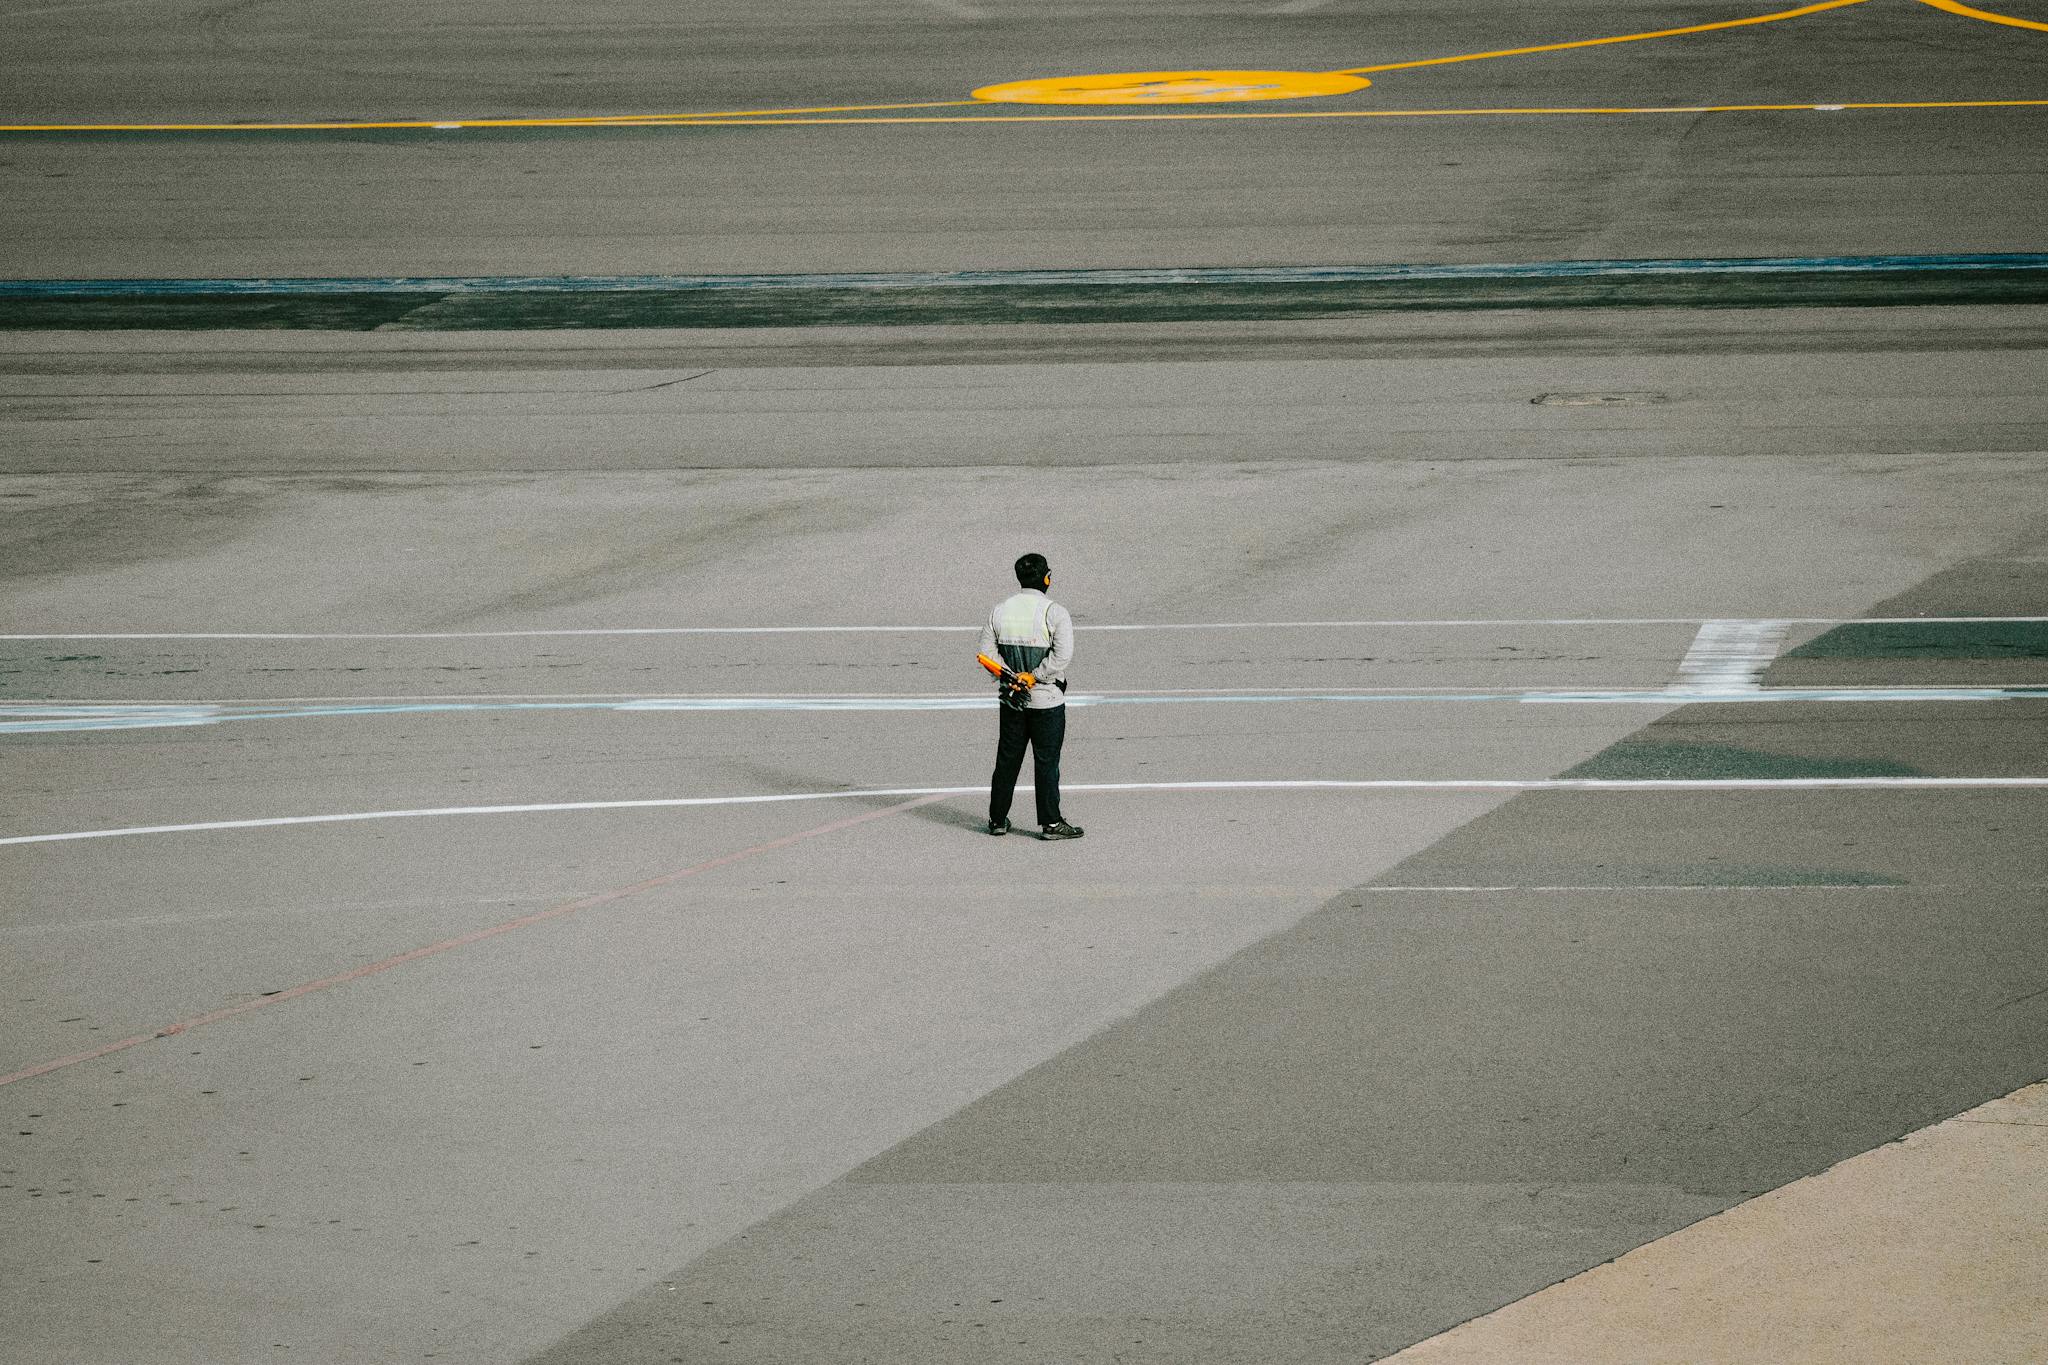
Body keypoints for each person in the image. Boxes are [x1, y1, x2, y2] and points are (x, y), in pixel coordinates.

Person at [977, 553, 1084, 840]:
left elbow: (986, 654)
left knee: (1007, 760)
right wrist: (1034, 676)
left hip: (1012, 700)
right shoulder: (1055, 613)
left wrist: (1012, 679)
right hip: (1046, 702)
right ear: (1046, 577)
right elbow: (1062, 657)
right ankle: (1050, 823)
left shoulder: (1000, 611)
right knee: (1046, 762)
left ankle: (997, 819)